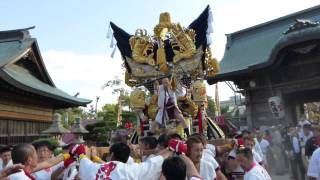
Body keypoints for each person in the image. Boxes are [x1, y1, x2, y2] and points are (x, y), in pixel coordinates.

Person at [73, 141, 183, 180]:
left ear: (111, 155)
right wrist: (170, 149)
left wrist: (81, 153)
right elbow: (154, 163)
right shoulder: (132, 170)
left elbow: (84, 162)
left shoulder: (96, 168)